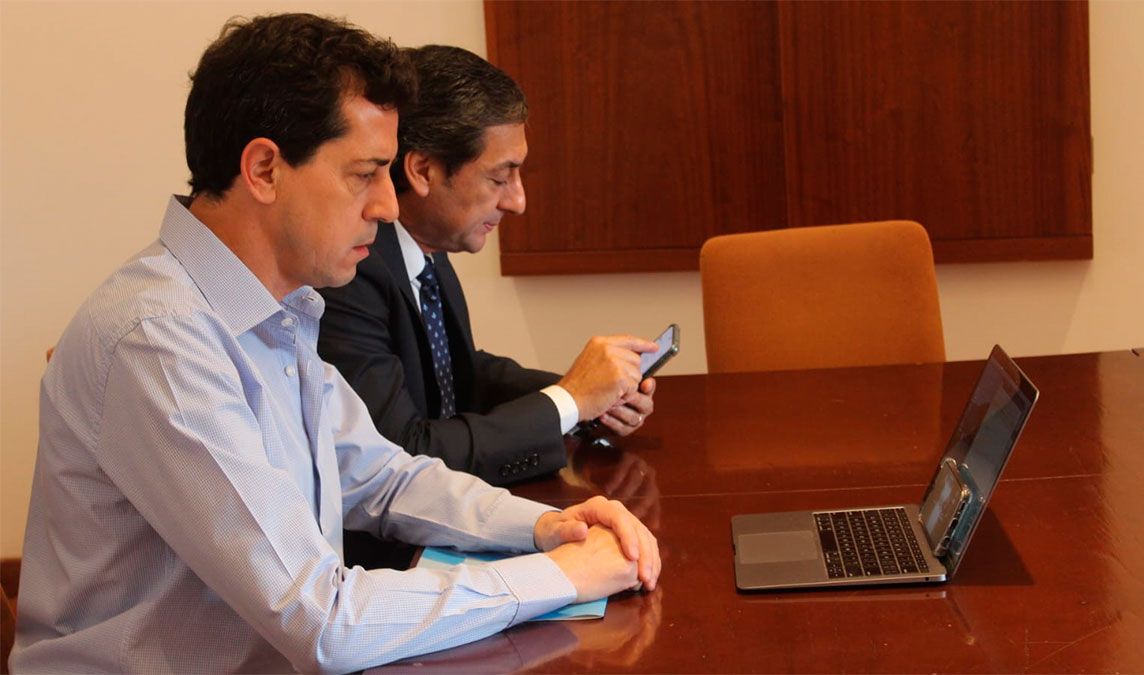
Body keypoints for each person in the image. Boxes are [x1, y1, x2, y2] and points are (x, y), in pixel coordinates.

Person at [12, 14, 659, 674]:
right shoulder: (161, 338)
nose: (388, 205)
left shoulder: (279, 306)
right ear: (265, 169)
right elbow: (321, 620)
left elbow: (380, 477)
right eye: (366, 173)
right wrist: (563, 576)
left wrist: (545, 527)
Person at [317, 45, 658, 491]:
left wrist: (589, 395)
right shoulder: (353, 268)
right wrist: (569, 400)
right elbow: (403, 454)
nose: (518, 202)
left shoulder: (426, 248)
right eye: (500, 177)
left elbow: (459, 374)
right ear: (423, 171)